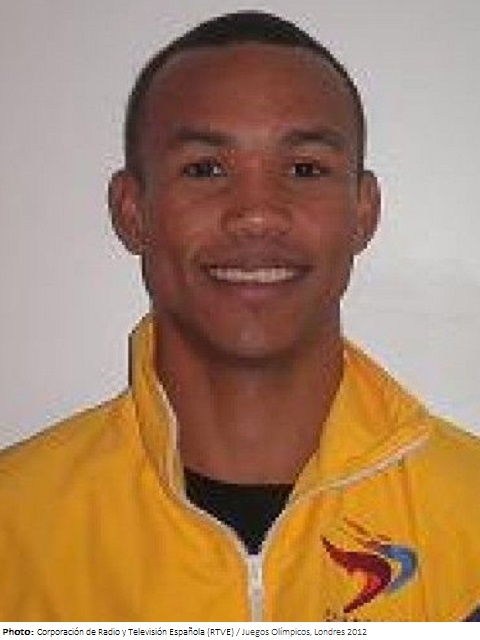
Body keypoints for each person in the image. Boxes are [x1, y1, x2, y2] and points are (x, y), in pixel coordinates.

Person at [0, 10, 479, 623]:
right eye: (206, 169)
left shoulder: (469, 519)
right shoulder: (17, 528)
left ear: (363, 212)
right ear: (132, 211)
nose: (256, 215)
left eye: (304, 169)